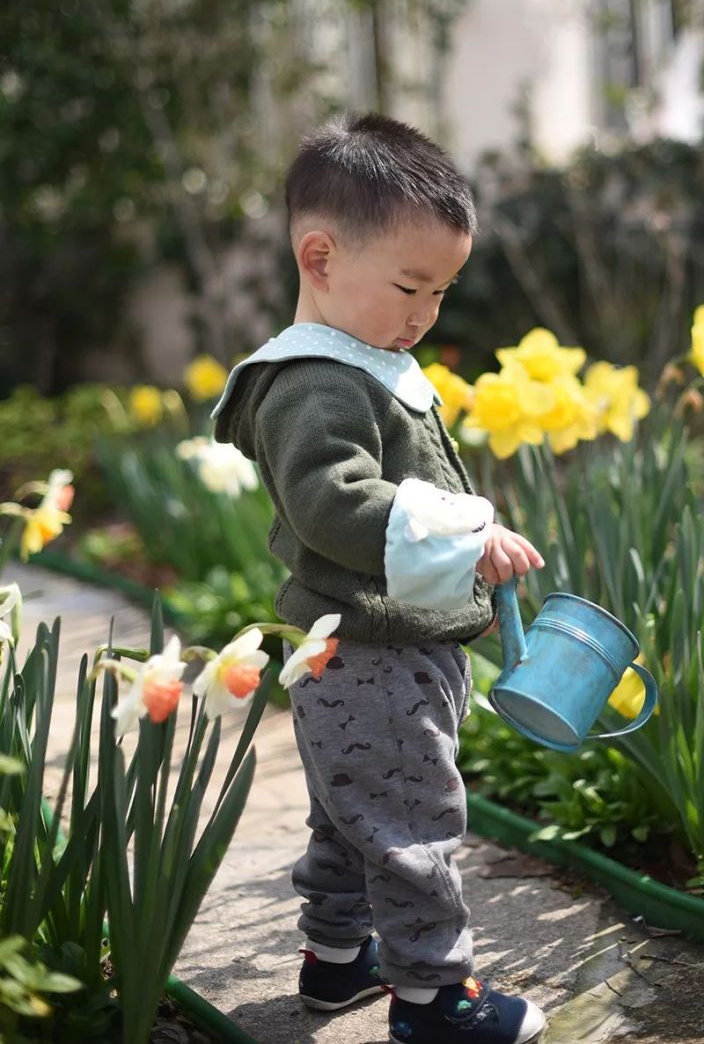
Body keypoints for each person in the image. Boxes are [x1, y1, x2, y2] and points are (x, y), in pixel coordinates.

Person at [212, 112, 547, 1043]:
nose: (424, 314)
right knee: (412, 829)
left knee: (350, 820)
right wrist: (467, 531)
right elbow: (334, 503)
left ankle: (336, 960)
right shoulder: (314, 381)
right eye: (410, 285)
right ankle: (436, 1001)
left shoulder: (366, 358)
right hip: (372, 657)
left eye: (441, 290)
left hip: (366, 651)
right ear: (319, 257)